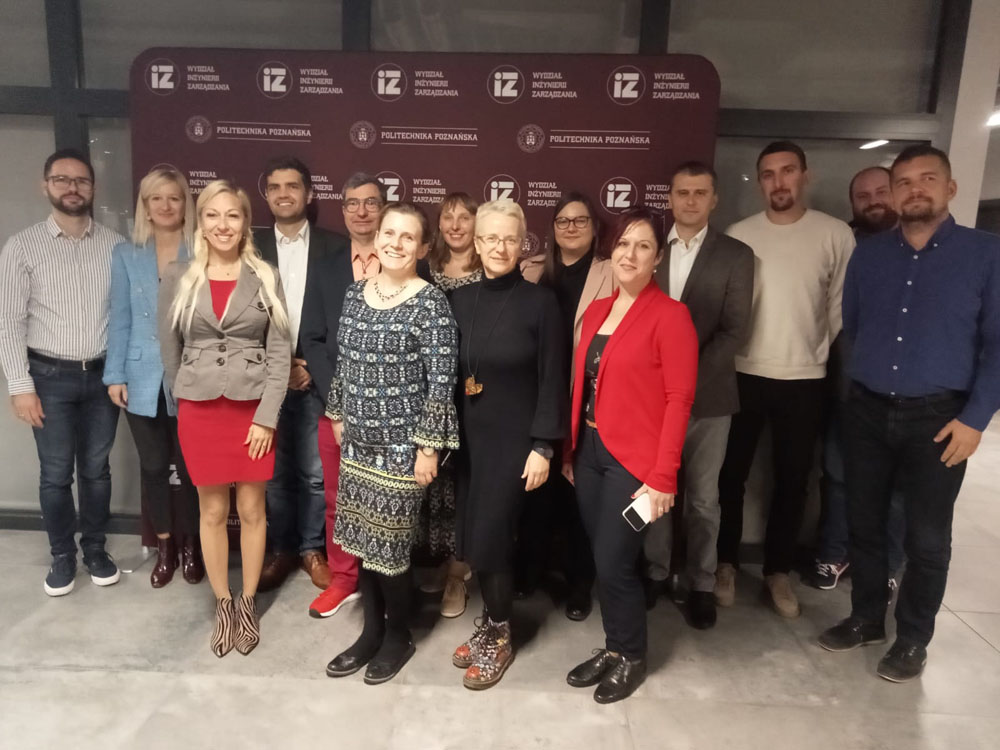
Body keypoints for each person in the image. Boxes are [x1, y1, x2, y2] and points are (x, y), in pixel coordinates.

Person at [818, 145, 1000, 682]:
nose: (914, 189)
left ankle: (914, 637)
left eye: (927, 179)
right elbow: (854, 327)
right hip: (868, 411)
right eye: (904, 182)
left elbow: (998, 345)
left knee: (926, 537)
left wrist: (975, 419)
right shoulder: (870, 255)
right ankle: (867, 618)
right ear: (893, 193)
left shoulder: (986, 254)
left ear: (950, 188)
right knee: (865, 525)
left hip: (941, 418)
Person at [563, 206, 698, 704]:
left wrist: (664, 476)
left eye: (642, 245)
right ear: (611, 251)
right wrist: (569, 449)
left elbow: (679, 400)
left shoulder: (671, 315)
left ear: (657, 258)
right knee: (603, 560)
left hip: (633, 461)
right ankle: (614, 647)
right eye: (623, 244)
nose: (630, 253)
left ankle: (632, 656)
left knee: (615, 561)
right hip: (590, 450)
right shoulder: (597, 310)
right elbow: (582, 386)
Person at [716, 141, 855, 618]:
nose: (779, 182)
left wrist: (813, 352)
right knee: (729, 477)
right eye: (769, 174)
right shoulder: (739, 233)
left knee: (794, 481)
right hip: (744, 374)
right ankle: (726, 563)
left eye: (787, 171)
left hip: (805, 379)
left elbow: (840, 310)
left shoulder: (835, 235)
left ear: (805, 176)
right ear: (760, 182)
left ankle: (777, 572)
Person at [324, 202, 459, 685]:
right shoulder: (356, 294)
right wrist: (337, 413)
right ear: (376, 237)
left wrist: (428, 448)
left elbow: (442, 380)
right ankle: (369, 633)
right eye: (388, 233)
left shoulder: (431, 303)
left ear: (423, 247)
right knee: (362, 541)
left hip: (403, 450)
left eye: (407, 237)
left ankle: (397, 636)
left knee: (391, 548)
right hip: (357, 444)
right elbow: (343, 361)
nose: (395, 243)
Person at [159, 179, 291, 657]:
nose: (222, 224)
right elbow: (169, 350)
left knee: (253, 511)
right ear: (202, 220)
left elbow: (280, 355)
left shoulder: (265, 276)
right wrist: (187, 397)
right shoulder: (179, 276)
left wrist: (267, 418)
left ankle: (248, 602)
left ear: (244, 221)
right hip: (200, 411)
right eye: (212, 215)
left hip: (252, 411)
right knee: (212, 512)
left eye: (232, 215)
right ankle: (223, 603)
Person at [449, 199, 568, 689]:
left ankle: (499, 636)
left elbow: (552, 379)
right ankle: (491, 623)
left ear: (523, 244)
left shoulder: (541, 303)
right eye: (490, 238)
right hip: (469, 443)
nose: (499, 247)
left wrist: (543, 445)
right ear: (476, 244)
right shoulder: (458, 300)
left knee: (494, 538)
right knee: (476, 537)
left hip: (516, 445)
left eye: (509, 238)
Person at [0, 148, 125, 596]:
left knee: (96, 471)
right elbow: (9, 321)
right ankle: (61, 555)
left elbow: (124, 317)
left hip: (102, 378)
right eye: (62, 180)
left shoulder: (115, 246)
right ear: (46, 185)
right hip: (47, 378)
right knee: (55, 474)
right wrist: (20, 387)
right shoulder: (21, 246)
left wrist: (120, 374)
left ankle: (95, 549)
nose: (72, 188)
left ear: (92, 188)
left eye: (81, 181)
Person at [645, 162, 754, 629]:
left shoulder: (737, 254)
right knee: (656, 491)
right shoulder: (648, 251)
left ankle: (702, 583)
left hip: (709, 400)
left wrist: (683, 381)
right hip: (651, 400)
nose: (690, 201)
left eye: (699, 193)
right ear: (669, 198)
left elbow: (733, 331)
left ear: (714, 200)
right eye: (681, 192)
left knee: (705, 499)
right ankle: (654, 572)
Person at [517, 191, 615, 620]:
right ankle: (532, 571)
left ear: (594, 229)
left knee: (580, 498)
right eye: (562, 221)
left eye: (580, 220)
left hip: (589, 398)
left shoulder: (611, 272)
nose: (571, 227)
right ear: (552, 229)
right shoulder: (530, 270)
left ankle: (580, 583)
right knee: (536, 495)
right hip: (537, 396)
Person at [104, 167, 203, 588]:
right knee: (153, 467)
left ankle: (193, 546)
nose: (165, 206)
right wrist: (114, 374)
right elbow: (121, 319)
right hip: (140, 375)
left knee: (193, 467)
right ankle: (164, 545)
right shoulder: (128, 254)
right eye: (156, 198)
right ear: (145, 205)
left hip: (192, 374)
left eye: (174, 198)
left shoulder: (201, 251)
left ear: (185, 204)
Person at [810, 165, 906, 591]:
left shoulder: (918, 248)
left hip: (910, 396)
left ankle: (886, 567)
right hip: (848, 388)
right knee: (839, 476)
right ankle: (834, 554)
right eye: (863, 196)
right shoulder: (846, 244)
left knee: (898, 489)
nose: (873, 202)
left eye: (880, 192)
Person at [297, 172, 386, 618]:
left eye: (371, 203)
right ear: (343, 209)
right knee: (337, 497)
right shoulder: (326, 265)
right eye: (352, 203)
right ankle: (344, 578)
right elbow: (312, 339)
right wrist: (341, 400)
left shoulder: (406, 264)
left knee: (386, 497)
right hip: (334, 408)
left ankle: (385, 582)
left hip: (391, 410)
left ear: (383, 208)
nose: (361, 211)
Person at [254, 157, 339, 596]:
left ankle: (311, 549)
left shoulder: (334, 247)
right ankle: (280, 550)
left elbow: (342, 317)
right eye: (275, 187)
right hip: (261, 380)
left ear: (309, 194)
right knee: (270, 473)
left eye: (292, 186)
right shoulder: (249, 247)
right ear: (266, 195)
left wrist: (306, 365)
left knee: (312, 472)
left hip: (312, 377)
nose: (283, 193)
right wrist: (276, 368)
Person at [419, 191, 481, 618]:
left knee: (467, 485)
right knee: (436, 485)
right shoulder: (424, 270)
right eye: (448, 217)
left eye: (465, 217)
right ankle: (442, 564)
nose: (456, 225)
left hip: (475, 395)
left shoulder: (490, 269)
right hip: (430, 393)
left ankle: (461, 573)